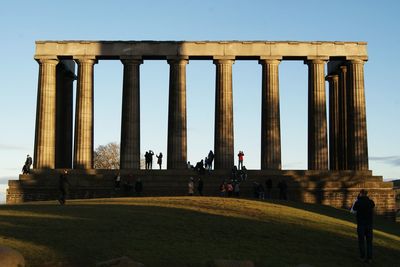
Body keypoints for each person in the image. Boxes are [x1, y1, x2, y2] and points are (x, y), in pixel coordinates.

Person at [353, 189, 375, 263]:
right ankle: (369, 258)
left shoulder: (358, 202)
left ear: (361, 194)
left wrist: (358, 198)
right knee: (369, 242)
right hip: (369, 224)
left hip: (361, 224)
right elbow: (373, 205)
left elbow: (354, 209)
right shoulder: (370, 202)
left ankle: (362, 257)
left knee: (361, 241)